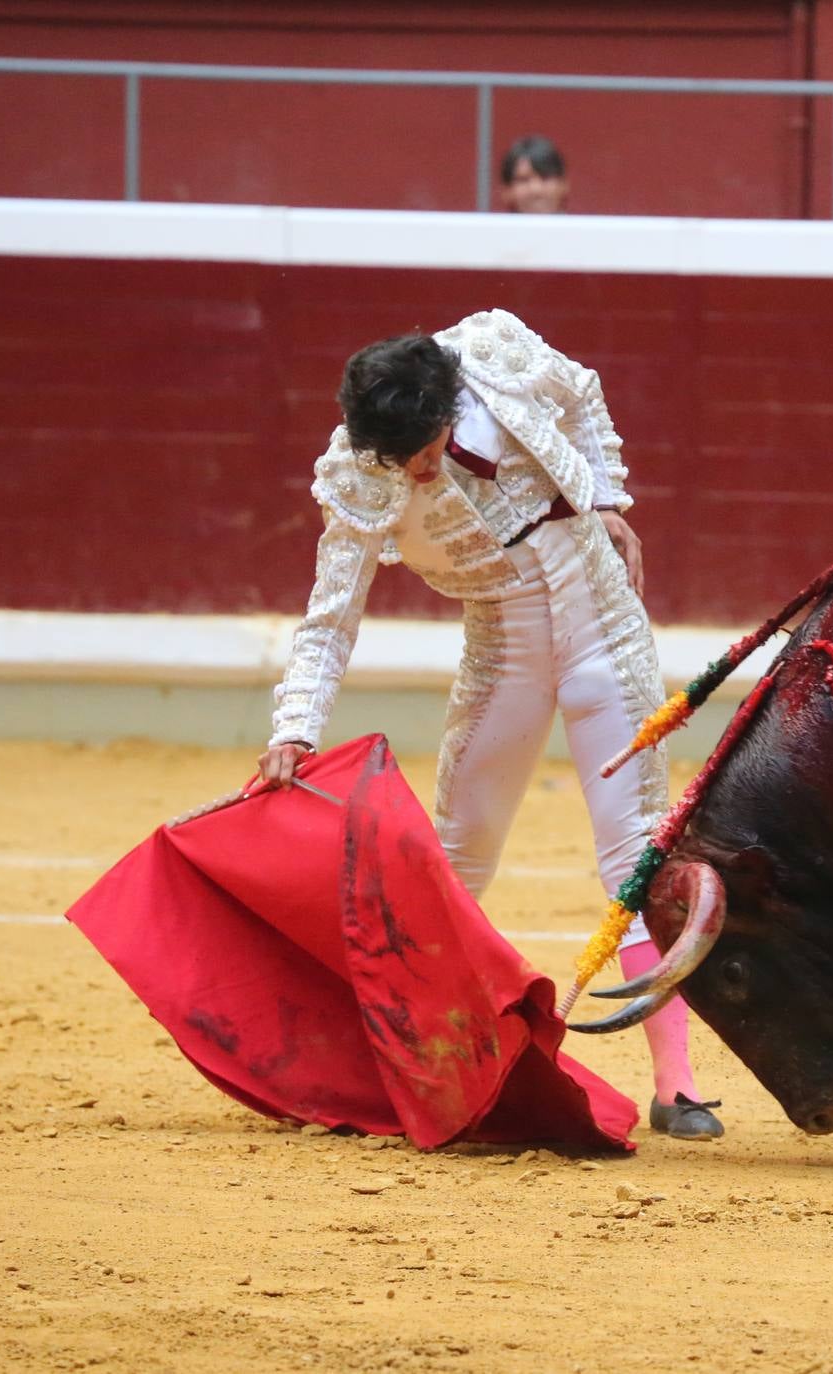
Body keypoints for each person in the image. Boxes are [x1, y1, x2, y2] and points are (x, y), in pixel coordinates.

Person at [256, 309, 723, 1140]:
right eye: (402, 462)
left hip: (603, 629)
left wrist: (608, 498)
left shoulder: (494, 349)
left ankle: (676, 1085)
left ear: (447, 403)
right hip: (501, 648)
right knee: (455, 858)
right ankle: (395, 1054)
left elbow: (582, 394)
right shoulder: (359, 471)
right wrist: (294, 728)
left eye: (426, 449)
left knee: (638, 854)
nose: (420, 473)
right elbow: (331, 618)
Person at [498, 135, 569, 214]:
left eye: (545, 177)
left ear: (564, 184)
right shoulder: (486, 226)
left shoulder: (583, 226)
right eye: (524, 180)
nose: (536, 190)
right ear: (506, 190)